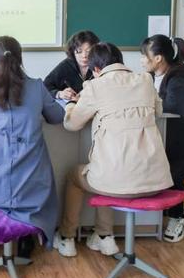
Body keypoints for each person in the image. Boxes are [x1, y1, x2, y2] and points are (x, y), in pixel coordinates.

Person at [55, 42, 173, 258]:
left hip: (115, 183)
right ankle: (103, 235)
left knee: (78, 175)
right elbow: (158, 109)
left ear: (96, 69)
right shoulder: (145, 80)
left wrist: (72, 105)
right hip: (155, 182)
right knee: (106, 170)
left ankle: (67, 237)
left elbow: (72, 124)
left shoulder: (94, 86)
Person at [0, 36, 65, 258]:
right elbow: (57, 117)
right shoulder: (37, 87)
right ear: (20, 60)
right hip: (31, 187)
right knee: (26, 195)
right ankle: (25, 243)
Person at [140, 34, 184, 242]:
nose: (142, 60)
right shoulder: (162, 75)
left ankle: (177, 217)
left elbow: (177, 112)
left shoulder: (180, 78)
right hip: (176, 140)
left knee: (167, 169)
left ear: (158, 58)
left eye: (145, 56)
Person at [44, 30, 100, 101]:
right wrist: (59, 93)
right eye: (79, 51)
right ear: (73, 52)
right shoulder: (66, 65)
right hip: (71, 106)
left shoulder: (100, 64)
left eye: (88, 51)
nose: (84, 55)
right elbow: (45, 86)